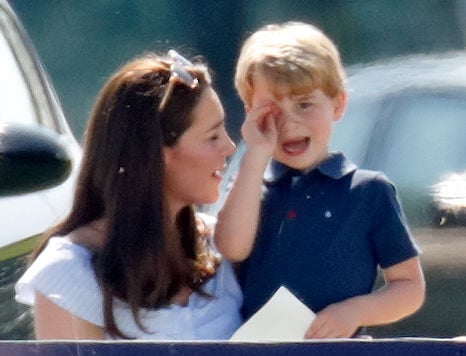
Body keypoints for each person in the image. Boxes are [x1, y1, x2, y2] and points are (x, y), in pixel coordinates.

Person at [215, 21, 425, 339]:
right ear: (250, 113)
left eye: (304, 104)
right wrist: (255, 155)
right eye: (272, 111)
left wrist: (354, 312)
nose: (289, 122)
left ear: (338, 104)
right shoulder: (251, 185)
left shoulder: (368, 191)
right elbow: (231, 247)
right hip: (258, 347)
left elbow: (409, 288)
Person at [15, 49, 242, 340]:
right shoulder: (68, 271)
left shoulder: (221, 244)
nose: (229, 147)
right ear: (158, 156)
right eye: (212, 137)